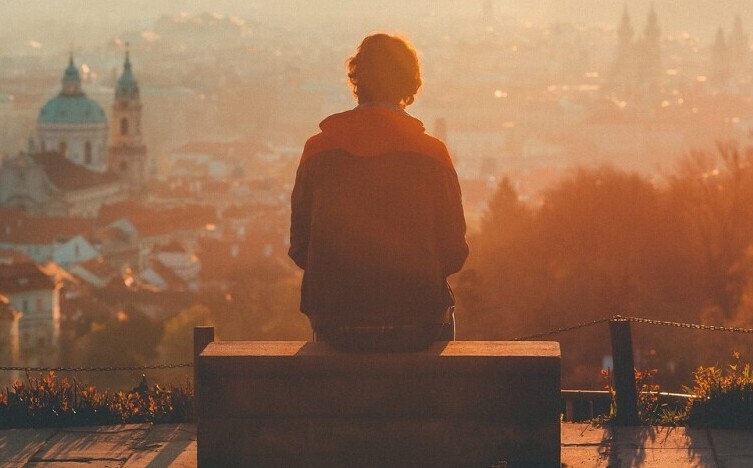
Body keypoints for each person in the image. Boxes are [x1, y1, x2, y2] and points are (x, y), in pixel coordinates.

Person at [289, 33, 468, 352]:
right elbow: (454, 250)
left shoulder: (317, 151)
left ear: (357, 81)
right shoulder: (432, 154)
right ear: (410, 84)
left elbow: (301, 246)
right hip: (417, 321)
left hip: (337, 324)